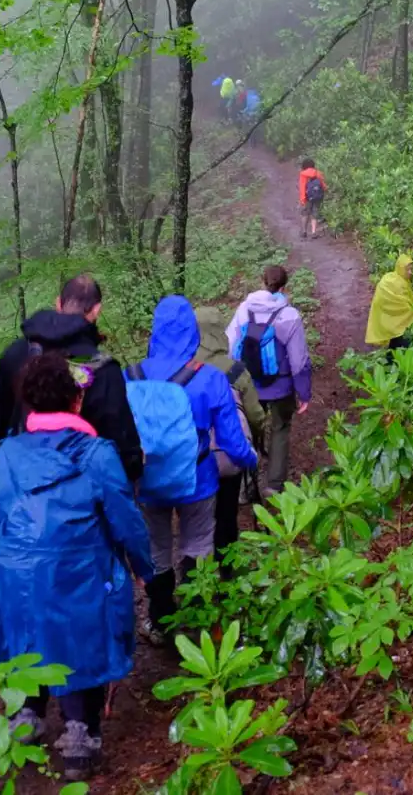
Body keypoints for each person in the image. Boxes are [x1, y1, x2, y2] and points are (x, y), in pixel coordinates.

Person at [0, 352, 154, 781]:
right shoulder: (98, 454)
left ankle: (27, 716)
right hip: (79, 568)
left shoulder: (9, 454)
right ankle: (79, 735)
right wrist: (144, 566)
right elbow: (124, 516)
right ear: (76, 402)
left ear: (29, 405)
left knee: (27, 632)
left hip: (13, 570)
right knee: (80, 640)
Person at [131, 296, 259, 638]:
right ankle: (196, 617)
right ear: (192, 332)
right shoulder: (210, 379)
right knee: (198, 544)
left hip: (149, 480)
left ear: (154, 332)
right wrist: (251, 460)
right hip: (198, 479)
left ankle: (159, 621)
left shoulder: (132, 376)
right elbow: (232, 442)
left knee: (158, 549)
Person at [0, 274, 142, 484]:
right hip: (83, 494)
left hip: (22, 485)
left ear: (58, 303)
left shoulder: (15, 354)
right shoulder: (104, 369)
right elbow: (121, 440)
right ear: (96, 310)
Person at [226, 266, 312, 496]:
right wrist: (303, 393)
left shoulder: (244, 310)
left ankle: (246, 486)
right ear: (285, 287)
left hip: (249, 384)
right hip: (281, 386)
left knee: (251, 431)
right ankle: (274, 485)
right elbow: (299, 360)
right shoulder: (289, 315)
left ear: (262, 282)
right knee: (280, 428)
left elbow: (231, 347)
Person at [193, 303, 267, 546]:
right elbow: (256, 415)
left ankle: (197, 573)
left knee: (196, 519)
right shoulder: (234, 370)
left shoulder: (182, 369)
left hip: (192, 455)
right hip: (228, 452)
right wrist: (256, 440)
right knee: (226, 514)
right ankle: (227, 570)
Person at [366, 253, 413, 352]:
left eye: (412, 269)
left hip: (388, 317)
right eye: (408, 269)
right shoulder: (399, 283)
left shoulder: (391, 276)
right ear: (400, 268)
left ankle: (390, 360)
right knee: (400, 339)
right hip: (392, 316)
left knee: (395, 340)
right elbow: (402, 305)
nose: (411, 272)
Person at [297, 158, 327, 239]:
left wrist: (302, 198)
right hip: (317, 197)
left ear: (304, 165)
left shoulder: (303, 174)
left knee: (305, 214)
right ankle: (313, 232)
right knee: (315, 213)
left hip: (307, 197)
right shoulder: (318, 173)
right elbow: (323, 185)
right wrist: (323, 191)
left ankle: (304, 231)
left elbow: (302, 187)